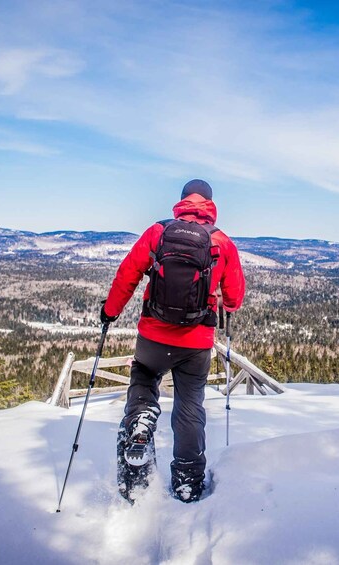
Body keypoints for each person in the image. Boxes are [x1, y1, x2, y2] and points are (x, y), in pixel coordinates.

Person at [100, 179, 245, 502]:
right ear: (210, 204)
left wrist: (109, 313)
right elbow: (235, 297)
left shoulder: (158, 233)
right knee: (189, 407)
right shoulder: (222, 242)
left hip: (153, 335)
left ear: (181, 202)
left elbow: (127, 275)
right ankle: (187, 481)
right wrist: (225, 303)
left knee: (144, 378)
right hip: (196, 344)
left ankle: (139, 426)